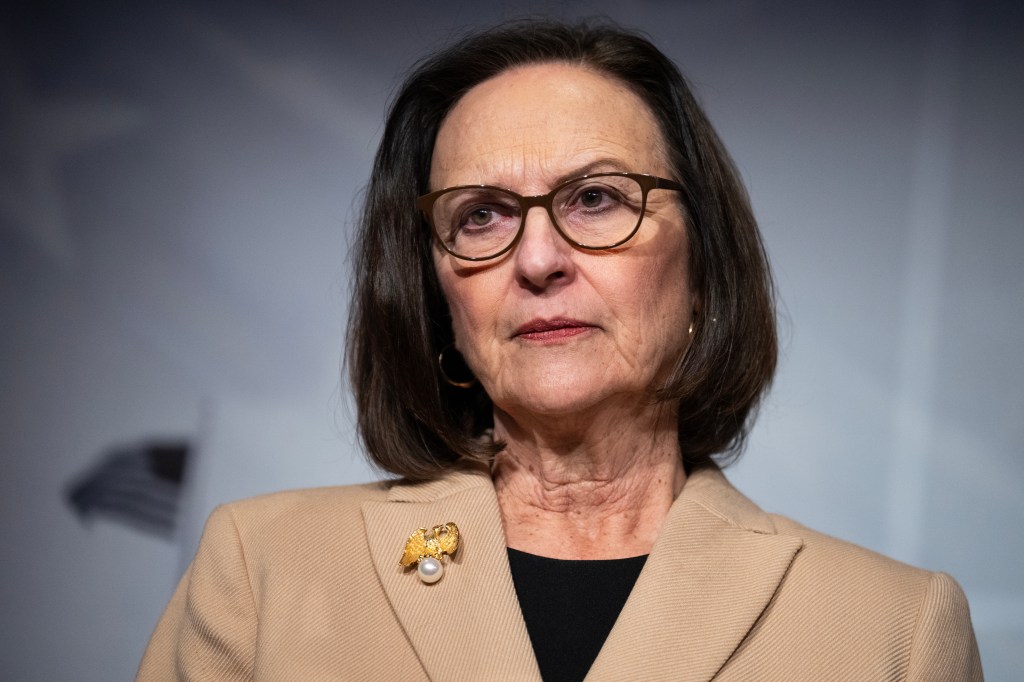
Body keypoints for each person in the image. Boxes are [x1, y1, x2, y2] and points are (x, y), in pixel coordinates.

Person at [137, 19, 983, 681]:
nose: (538, 259)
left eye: (597, 198)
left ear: (701, 272)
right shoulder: (263, 570)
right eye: (481, 216)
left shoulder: (894, 632)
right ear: (439, 296)